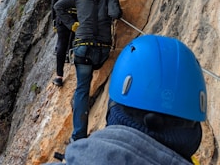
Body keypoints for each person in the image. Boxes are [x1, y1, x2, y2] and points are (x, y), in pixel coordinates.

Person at [44, 35, 207, 165]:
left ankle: (77, 132)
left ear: (113, 108)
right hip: (95, 47)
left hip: (81, 50)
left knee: (81, 89)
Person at [54, 0, 122, 141]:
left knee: (82, 90)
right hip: (101, 51)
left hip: (82, 49)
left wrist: (71, 24)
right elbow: (115, 13)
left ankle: (78, 136)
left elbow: (58, 6)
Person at [51, 0, 85, 87]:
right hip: (75, 20)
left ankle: (59, 76)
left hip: (61, 21)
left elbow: (53, 7)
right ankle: (76, 69)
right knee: (76, 41)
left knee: (61, 43)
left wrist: (54, 22)